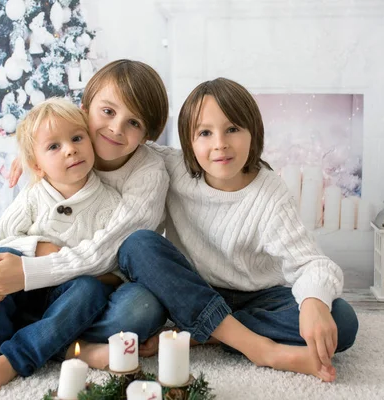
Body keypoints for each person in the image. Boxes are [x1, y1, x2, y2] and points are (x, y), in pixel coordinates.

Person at [119, 78, 359, 382]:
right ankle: (261, 349)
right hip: (194, 291)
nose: (220, 143)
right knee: (138, 244)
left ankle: (211, 332)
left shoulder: (269, 192)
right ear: (188, 141)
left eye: (232, 129)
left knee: (342, 320)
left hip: (258, 296)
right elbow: (124, 149)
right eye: (205, 133)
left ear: (253, 133)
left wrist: (313, 303)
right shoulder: (170, 167)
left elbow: (312, 263)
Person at [0, 60, 170, 377]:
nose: (116, 128)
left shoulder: (133, 184)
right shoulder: (45, 178)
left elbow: (108, 257)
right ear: (85, 110)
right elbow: (0, 228)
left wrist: (30, 267)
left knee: (140, 309)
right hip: (31, 289)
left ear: (147, 134)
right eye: (107, 112)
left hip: (83, 288)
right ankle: (71, 347)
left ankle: (21, 346)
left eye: (133, 123)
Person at [0, 97, 122, 391]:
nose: (70, 149)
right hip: (17, 293)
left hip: (64, 297)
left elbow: (111, 267)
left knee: (91, 291)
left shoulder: (109, 204)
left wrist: (53, 256)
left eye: (77, 138)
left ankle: (14, 357)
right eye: (54, 146)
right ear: (37, 166)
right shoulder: (34, 195)